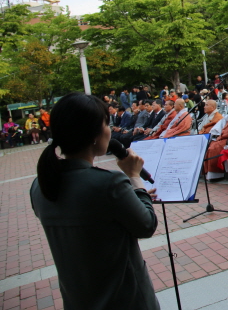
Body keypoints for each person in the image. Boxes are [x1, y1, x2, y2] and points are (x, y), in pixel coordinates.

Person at [30, 93, 159, 310]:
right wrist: (134, 177)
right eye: (106, 124)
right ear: (94, 134)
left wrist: (131, 197)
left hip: (78, 300)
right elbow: (147, 225)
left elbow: (88, 214)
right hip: (124, 301)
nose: (109, 130)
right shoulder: (109, 183)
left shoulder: (40, 185)